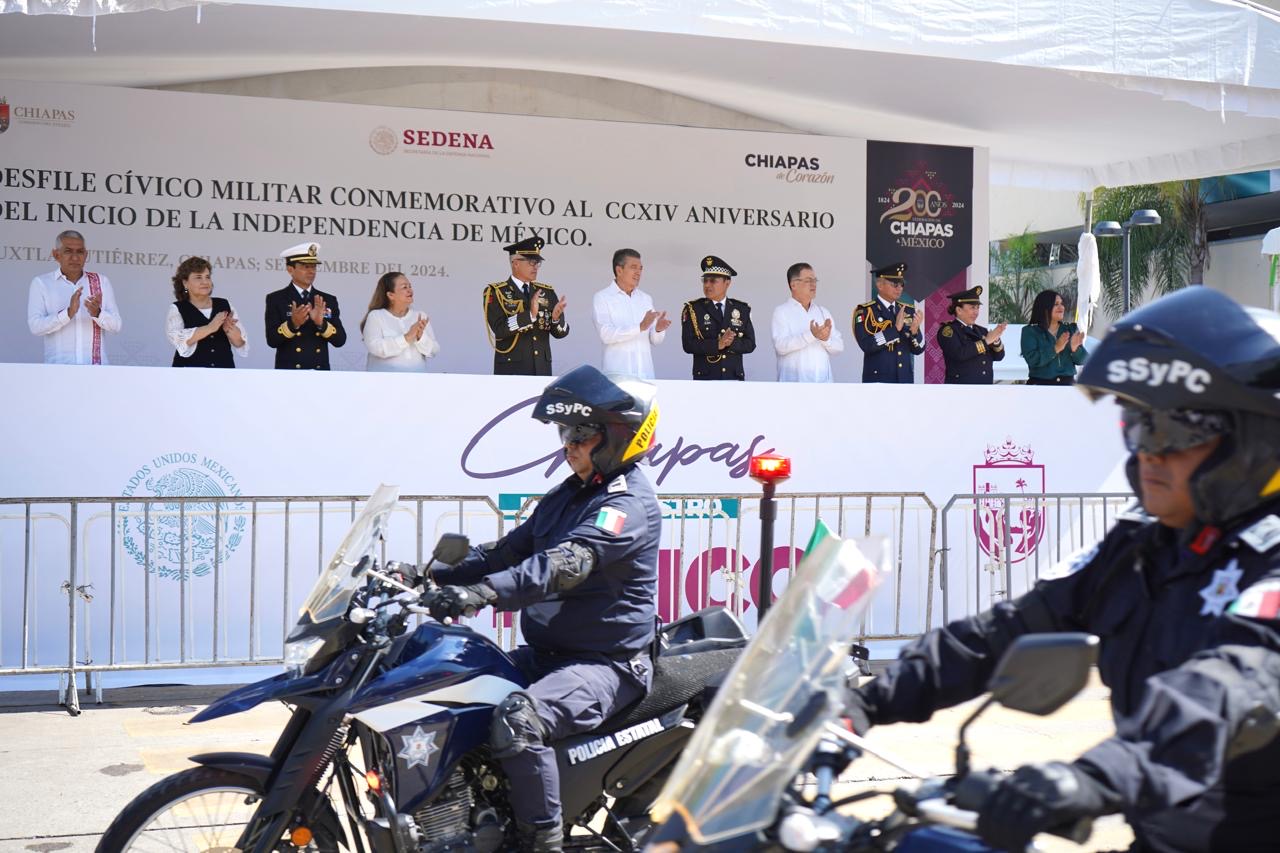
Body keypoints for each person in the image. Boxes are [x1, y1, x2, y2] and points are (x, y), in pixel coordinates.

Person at [846, 287, 1280, 852]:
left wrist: (1092, 776)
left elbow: (1231, 685)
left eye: (1170, 431)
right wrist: (862, 700)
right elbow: (1011, 629)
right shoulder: (1143, 545)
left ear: (1254, 439)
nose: (1146, 452)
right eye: (1136, 426)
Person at [427, 365, 661, 852]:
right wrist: (427, 573)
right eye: (565, 433)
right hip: (550, 654)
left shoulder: (625, 505)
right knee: (454, 690)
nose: (568, 444)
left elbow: (565, 563)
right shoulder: (568, 495)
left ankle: (542, 842)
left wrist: (482, 594)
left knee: (519, 719)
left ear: (618, 437)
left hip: (606, 664)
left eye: (581, 433)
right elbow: (505, 552)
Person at [27, 229, 122, 365]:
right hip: (58, 369)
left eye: (80, 252)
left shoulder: (101, 282)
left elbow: (116, 326)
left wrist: (97, 313)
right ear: (56, 255)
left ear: (86, 255)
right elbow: (35, 327)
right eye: (68, 251)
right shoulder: (41, 283)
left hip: (95, 370)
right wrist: (68, 313)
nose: (75, 257)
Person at [484, 236, 569, 376]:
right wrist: (530, 315)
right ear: (515, 263)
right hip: (511, 370)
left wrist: (555, 319)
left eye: (537, 263)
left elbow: (561, 333)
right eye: (531, 262)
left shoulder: (546, 292)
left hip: (542, 369)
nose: (535, 266)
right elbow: (499, 330)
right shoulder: (496, 292)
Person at [264, 242, 347, 370]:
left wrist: (321, 323)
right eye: (305, 266)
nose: (311, 271)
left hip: (320, 372)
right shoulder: (276, 299)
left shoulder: (328, 300)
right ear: (290, 269)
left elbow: (340, 341)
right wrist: (293, 324)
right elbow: (272, 341)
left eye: (313, 267)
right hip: (289, 373)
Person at [592, 248, 670, 379]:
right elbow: (606, 335)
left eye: (640, 268)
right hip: (617, 377)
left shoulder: (645, 298)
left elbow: (655, 341)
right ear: (619, 270)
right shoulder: (602, 297)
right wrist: (639, 327)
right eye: (633, 267)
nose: (638, 272)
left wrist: (658, 329)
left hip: (645, 375)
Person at [680, 255, 756, 380]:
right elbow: (688, 345)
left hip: (733, 378)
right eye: (705, 280)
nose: (707, 285)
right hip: (705, 379)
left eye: (713, 280)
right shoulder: (693, 309)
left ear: (727, 283)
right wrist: (717, 344)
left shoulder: (742, 309)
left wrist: (731, 343)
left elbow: (750, 344)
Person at [165, 256, 248, 368]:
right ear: (185, 283)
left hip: (223, 373)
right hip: (188, 375)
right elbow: (177, 340)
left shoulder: (225, 304)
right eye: (198, 277)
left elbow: (240, 344)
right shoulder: (177, 308)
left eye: (207, 277)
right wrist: (210, 328)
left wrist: (231, 332)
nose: (205, 282)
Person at [771, 262, 844, 382]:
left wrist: (825, 339)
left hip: (822, 384)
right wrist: (811, 335)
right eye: (808, 280)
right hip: (793, 384)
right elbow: (780, 346)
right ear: (793, 285)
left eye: (815, 280)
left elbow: (839, 347)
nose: (813, 284)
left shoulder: (823, 312)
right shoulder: (782, 311)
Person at [854, 261, 924, 383]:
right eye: (895, 284)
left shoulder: (907, 310)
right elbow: (867, 345)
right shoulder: (866, 311)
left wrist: (914, 332)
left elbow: (919, 349)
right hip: (878, 381)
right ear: (880, 285)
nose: (899, 288)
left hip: (904, 379)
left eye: (901, 284)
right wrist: (895, 330)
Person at [360, 271, 440, 372]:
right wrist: (406, 338)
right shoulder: (376, 316)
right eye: (404, 287)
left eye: (410, 286)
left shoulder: (420, 316)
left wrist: (420, 338)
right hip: (382, 382)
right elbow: (375, 348)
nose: (410, 290)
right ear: (390, 295)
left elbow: (434, 351)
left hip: (417, 382)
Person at [936, 285, 1006, 384]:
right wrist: (986, 341)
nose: (976, 312)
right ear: (959, 310)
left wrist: (996, 339)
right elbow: (959, 354)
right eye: (972, 308)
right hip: (961, 389)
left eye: (977, 308)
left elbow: (999, 357)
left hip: (985, 388)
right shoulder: (948, 330)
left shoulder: (982, 330)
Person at [1021, 289, 1087, 385]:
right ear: (1044, 307)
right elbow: (1033, 360)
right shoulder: (1030, 331)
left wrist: (1075, 349)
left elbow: (1083, 360)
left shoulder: (1070, 329)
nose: (1061, 307)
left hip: (1067, 386)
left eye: (1061, 303)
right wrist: (1055, 349)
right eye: (1056, 304)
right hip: (1040, 387)